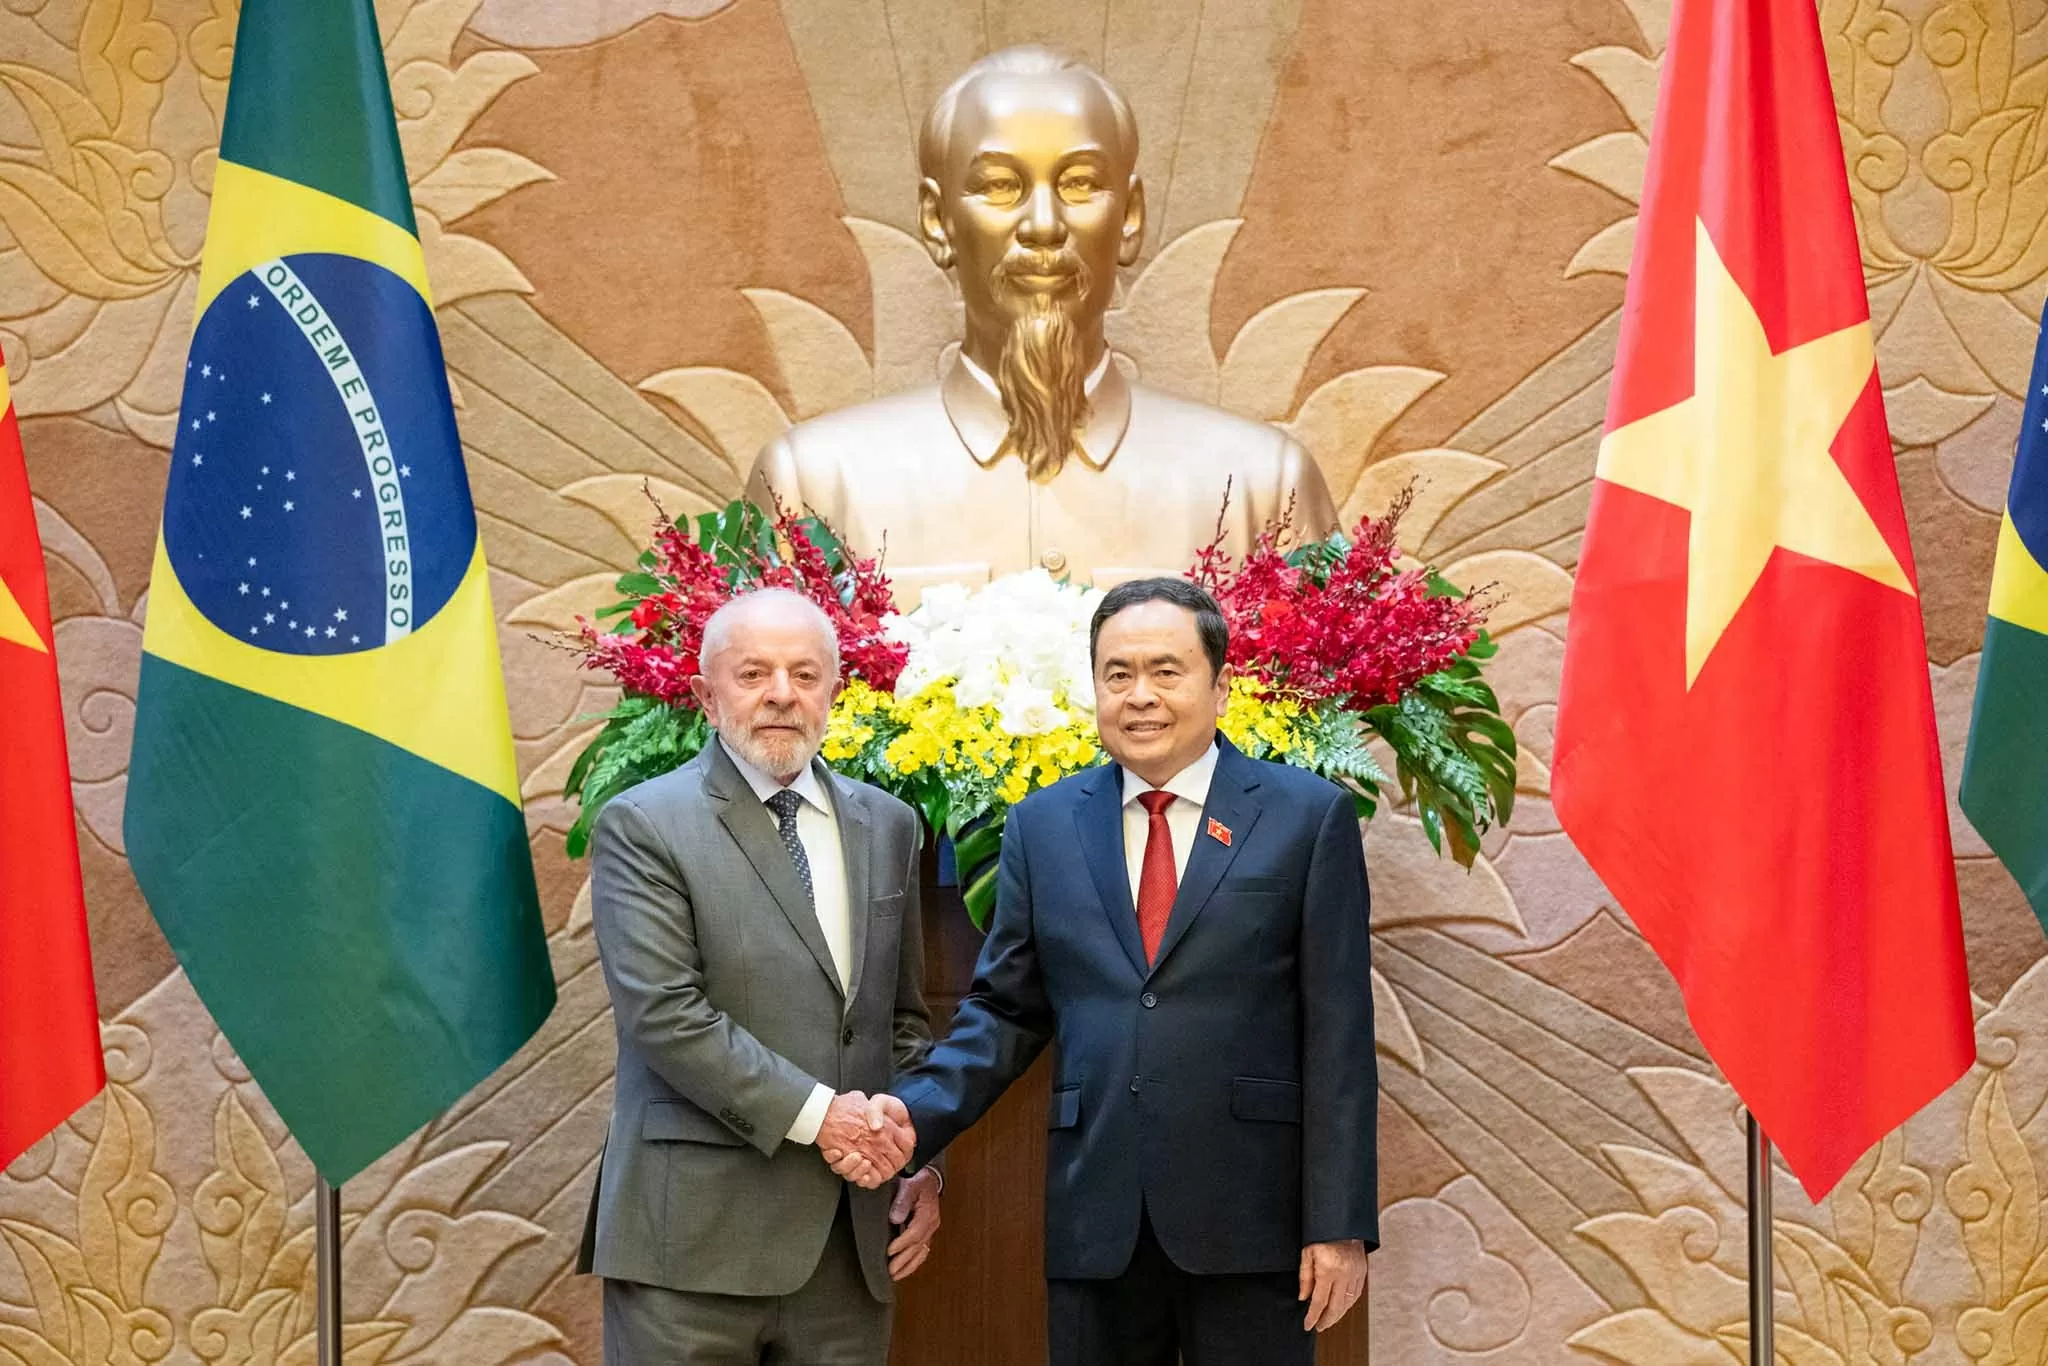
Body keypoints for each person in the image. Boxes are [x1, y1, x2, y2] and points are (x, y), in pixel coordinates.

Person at [830, 577, 1376, 1364]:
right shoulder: (1044, 825)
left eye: (1166, 670)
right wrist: (914, 1117)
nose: (1140, 696)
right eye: (1117, 674)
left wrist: (1339, 1221)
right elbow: (1007, 1011)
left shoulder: (1305, 816)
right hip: (1099, 1218)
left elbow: (1340, 1037)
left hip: (1257, 1224)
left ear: (1220, 686)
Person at [746, 46, 1337, 602]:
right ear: (937, 220)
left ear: (1129, 217)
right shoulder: (812, 487)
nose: (1044, 224)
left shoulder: (1264, 488)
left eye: (1080, 183)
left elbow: (1335, 701)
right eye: (1000, 186)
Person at [577, 588, 935, 1364]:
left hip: (849, 1249)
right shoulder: (646, 824)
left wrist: (920, 1156)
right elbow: (667, 1016)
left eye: (805, 675)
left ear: (835, 694)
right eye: (754, 674)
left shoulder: (890, 824)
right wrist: (826, 1120)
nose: (782, 694)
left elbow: (900, 1022)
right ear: (707, 695)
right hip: (693, 1251)